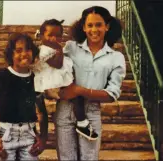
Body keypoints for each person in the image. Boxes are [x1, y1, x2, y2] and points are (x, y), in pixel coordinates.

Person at [54, 6, 126, 160]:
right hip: (65, 109)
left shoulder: (115, 57)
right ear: (84, 27)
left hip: (91, 111)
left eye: (99, 25)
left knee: (89, 158)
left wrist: (80, 90)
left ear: (107, 26)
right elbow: (55, 69)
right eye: (90, 25)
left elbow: (112, 94)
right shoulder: (71, 48)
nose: (94, 29)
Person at [0, 33, 48, 161]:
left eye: (28, 49)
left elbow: (42, 111)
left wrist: (43, 138)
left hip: (30, 137)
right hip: (6, 137)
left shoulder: (36, 79)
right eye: (18, 50)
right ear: (11, 54)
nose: (24, 54)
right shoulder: (1, 77)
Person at [33, 19, 98, 140]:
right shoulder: (43, 50)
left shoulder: (53, 49)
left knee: (76, 96)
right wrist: (60, 51)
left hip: (55, 83)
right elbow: (57, 64)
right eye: (50, 35)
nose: (54, 39)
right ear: (41, 36)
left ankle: (81, 122)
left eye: (58, 36)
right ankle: (82, 122)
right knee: (76, 95)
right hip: (51, 85)